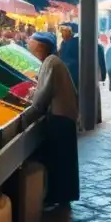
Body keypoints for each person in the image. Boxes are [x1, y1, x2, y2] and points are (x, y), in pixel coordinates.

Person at [27, 31, 80, 208]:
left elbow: (43, 93)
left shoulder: (51, 63)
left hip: (60, 117)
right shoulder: (53, 62)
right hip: (66, 114)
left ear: (41, 48)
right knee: (65, 159)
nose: (30, 51)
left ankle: (58, 196)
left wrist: (32, 110)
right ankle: (65, 196)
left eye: (32, 47)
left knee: (60, 159)